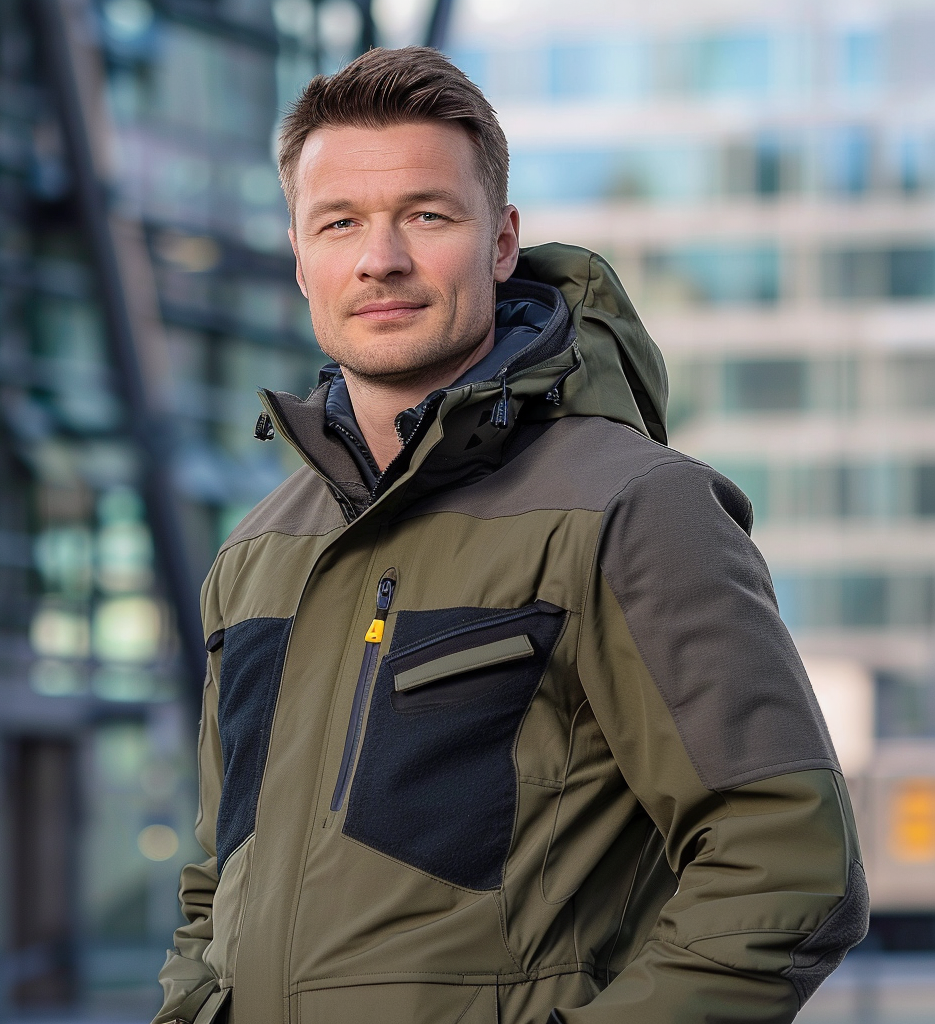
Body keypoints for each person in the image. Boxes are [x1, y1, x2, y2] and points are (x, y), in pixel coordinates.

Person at [153, 46, 867, 1024]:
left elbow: (785, 867)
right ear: (299, 254)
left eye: (426, 215)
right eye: (341, 222)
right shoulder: (255, 552)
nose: (380, 259)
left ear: (500, 242)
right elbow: (212, 889)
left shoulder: (633, 508)